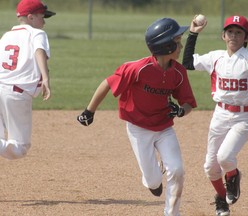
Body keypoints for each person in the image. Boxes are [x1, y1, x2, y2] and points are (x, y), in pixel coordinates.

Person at [77, 17, 197, 216]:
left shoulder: (178, 72)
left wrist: (181, 110)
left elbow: (188, 103)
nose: (181, 45)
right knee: (153, 182)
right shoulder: (137, 68)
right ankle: (153, 178)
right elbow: (107, 83)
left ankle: (172, 213)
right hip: (138, 129)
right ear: (166, 46)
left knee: (177, 170)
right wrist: (89, 111)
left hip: (164, 128)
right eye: (177, 41)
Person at [182, 15, 248, 216]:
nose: (233, 36)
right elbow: (187, 62)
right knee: (210, 167)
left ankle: (233, 175)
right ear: (223, 35)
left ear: (246, 37)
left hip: (245, 117)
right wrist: (194, 33)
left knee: (225, 157)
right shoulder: (216, 57)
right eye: (230, 32)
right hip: (220, 114)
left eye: (239, 32)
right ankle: (222, 201)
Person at [0, 0, 55, 160]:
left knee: (3, 141)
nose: (44, 22)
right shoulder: (37, 34)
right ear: (30, 17)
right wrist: (45, 78)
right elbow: (39, 50)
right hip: (16, 93)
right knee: (19, 148)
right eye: (42, 17)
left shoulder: (7, 36)